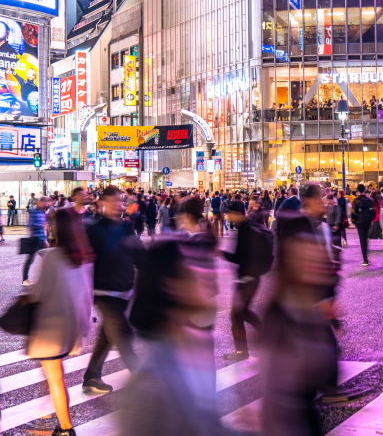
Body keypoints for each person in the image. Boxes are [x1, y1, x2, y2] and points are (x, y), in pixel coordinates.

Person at [260, 183, 340, 434]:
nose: (326, 203)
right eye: (322, 199)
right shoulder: (284, 318)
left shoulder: (316, 228)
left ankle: (330, 388)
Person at [121, 240, 219, 436]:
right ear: (171, 284)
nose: (215, 281)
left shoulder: (193, 347)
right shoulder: (151, 387)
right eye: (200, 272)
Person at [25, 208, 93, 436]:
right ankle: (49, 414)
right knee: (55, 375)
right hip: (70, 325)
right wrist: (82, 330)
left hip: (50, 328)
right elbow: (87, 296)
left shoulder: (52, 256)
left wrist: (26, 297)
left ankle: (65, 428)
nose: (49, 228)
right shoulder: (84, 257)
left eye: (52, 224)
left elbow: (40, 293)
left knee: (55, 377)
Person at [83, 186, 142, 394]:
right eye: (115, 200)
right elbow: (84, 263)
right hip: (104, 292)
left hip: (124, 291)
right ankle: (145, 380)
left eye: (121, 200)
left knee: (108, 336)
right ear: (102, 204)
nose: (119, 204)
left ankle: (91, 376)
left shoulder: (126, 227)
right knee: (123, 334)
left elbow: (139, 255)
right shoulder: (93, 229)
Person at [223, 200, 272, 360]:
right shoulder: (250, 225)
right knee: (243, 312)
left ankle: (242, 351)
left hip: (246, 279)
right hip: (251, 277)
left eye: (229, 214)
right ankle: (267, 337)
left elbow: (239, 257)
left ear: (236, 213)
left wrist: (220, 253)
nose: (228, 217)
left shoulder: (245, 229)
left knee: (237, 314)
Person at [23, 196, 48, 285]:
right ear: (40, 202)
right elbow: (31, 224)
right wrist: (42, 225)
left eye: (46, 202)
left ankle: (47, 278)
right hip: (35, 238)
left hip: (42, 239)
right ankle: (25, 279)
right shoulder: (33, 211)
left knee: (48, 258)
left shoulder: (43, 212)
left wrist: (45, 239)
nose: (46, 203)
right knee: (30, 259)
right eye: (44, 201)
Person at [351, 185, 375, 266]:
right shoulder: (369, 200)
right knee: (366, 238)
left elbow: (353, 212)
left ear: (357, 190)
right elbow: (373, 211)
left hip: (359, 222)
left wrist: (354, 221)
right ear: (365, 190)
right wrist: (371, 219)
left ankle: (365, 259)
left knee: (362, 239)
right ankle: (367, 254)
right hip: (368, 221)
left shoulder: (356, 200)